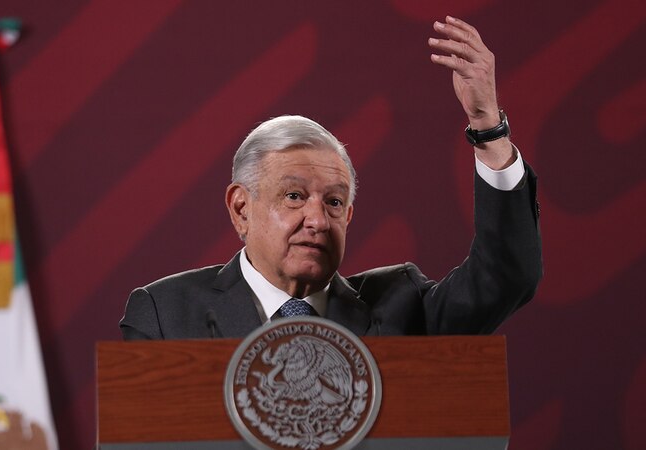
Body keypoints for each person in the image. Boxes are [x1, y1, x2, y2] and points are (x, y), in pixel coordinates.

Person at [119, 16, 542, 340]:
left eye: (334, 202)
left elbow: (507, 276)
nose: (318, 220)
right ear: (241, 208)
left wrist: (489, 129)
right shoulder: (164, 314)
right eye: (294, 196)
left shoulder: (402, 307)